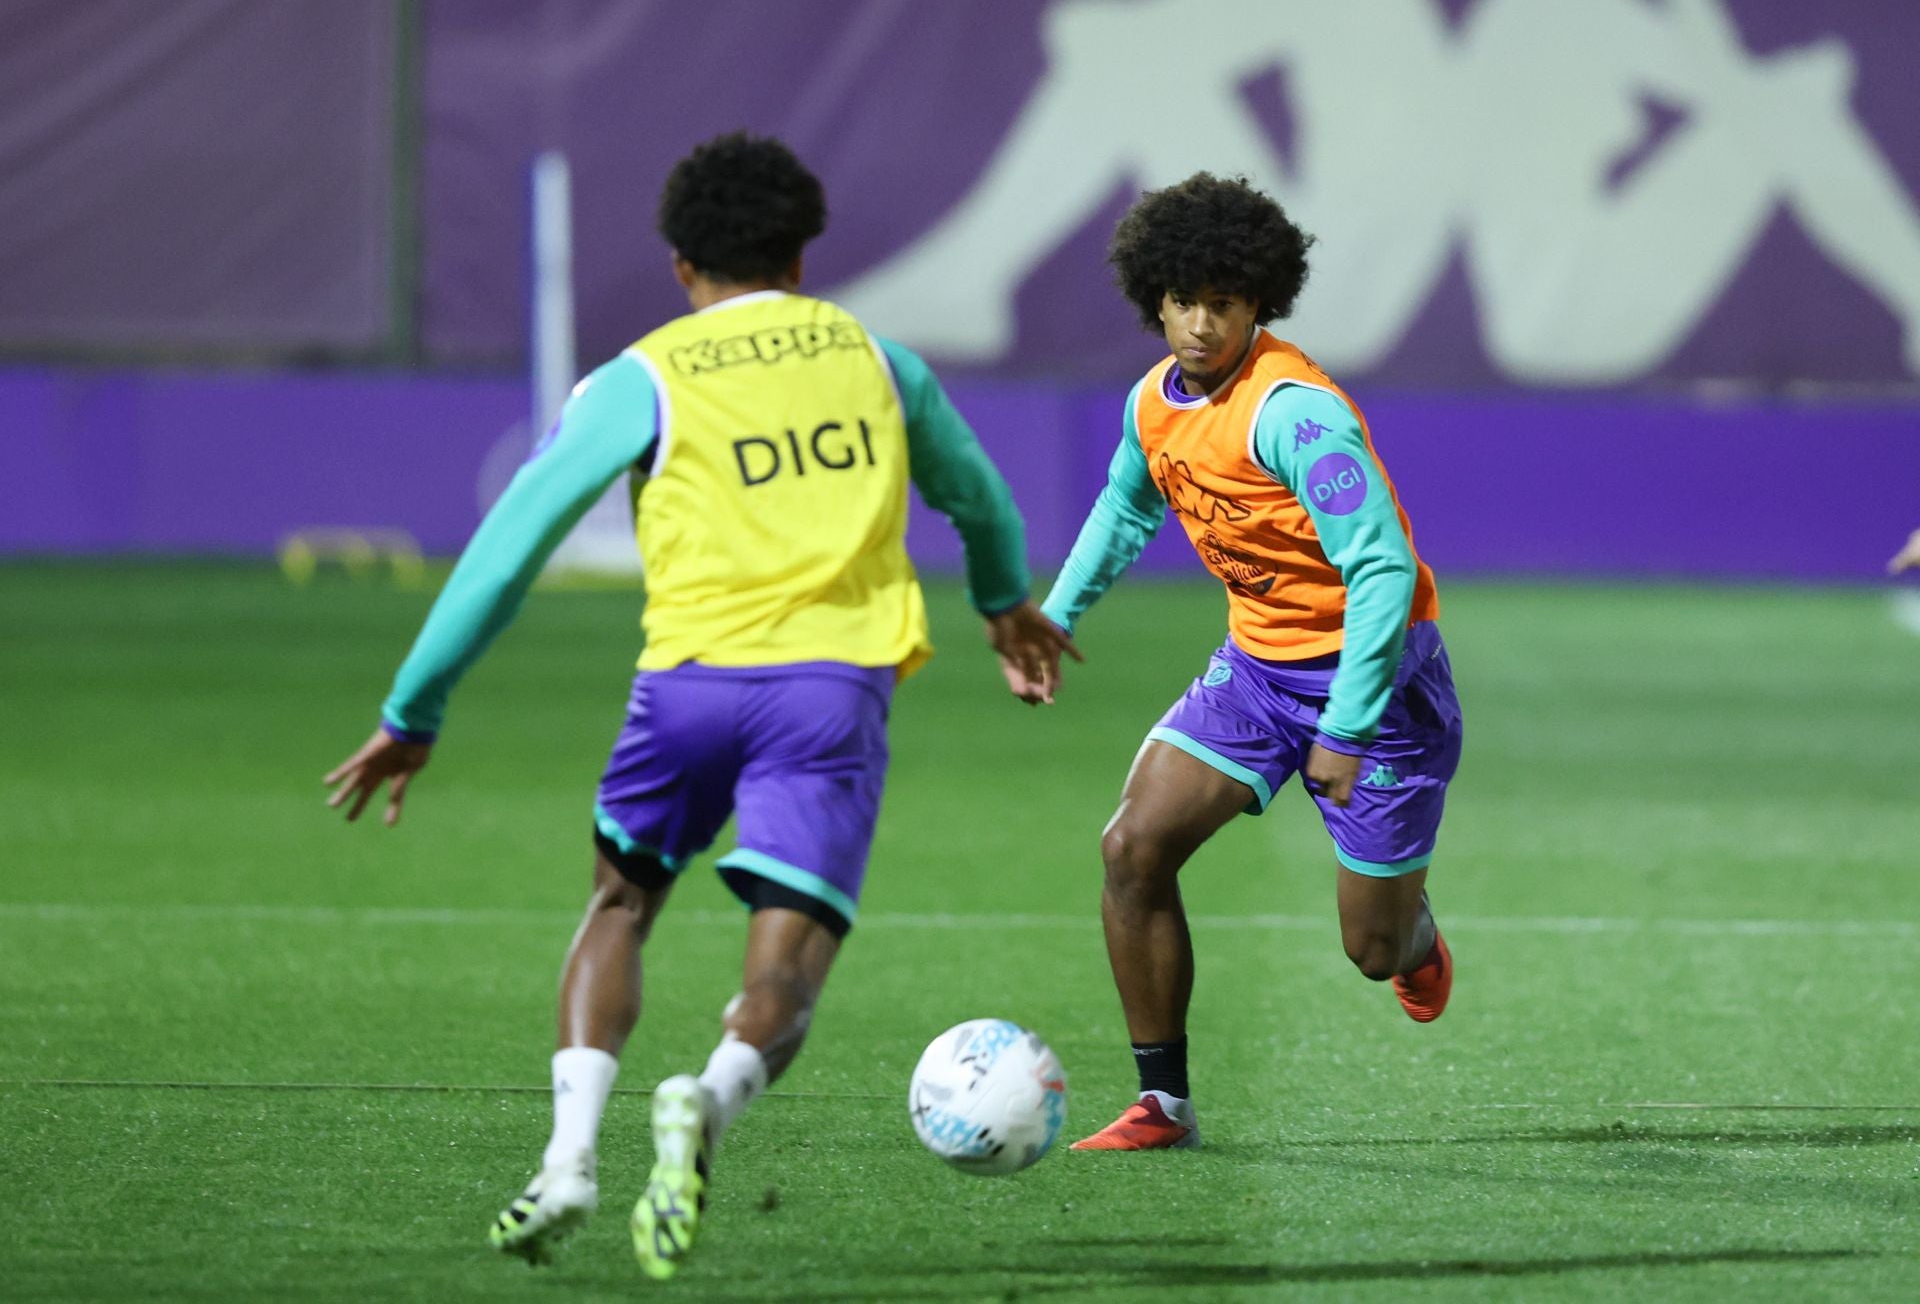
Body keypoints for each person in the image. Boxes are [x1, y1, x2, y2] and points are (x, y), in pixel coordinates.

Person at [322, 132, 1073, 1275]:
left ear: (683, 264)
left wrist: (412, 710)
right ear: (802, 254)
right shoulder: (879, 362)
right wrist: (1004, 604)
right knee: (786, 968)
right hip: (828, 697)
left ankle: (570, 1155)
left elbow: (507, 547)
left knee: (618, 907)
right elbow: (980, 500)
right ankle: (707, 1099)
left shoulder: (644, 376)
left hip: (681, 691)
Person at [1007, 172, 1464, 1150]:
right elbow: (1130, 507)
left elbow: (1383, 566)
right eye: (1183, 301)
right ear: (1154, 300)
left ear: (1260, 301)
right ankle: (1161, 1102)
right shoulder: (1155, 403)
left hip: (1374, 684)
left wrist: (1344, 723)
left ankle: (1415, 934)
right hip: (1257, 673)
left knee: (1371, 948)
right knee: (1131, 848)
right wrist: (1055, 614)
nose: (1202, 323)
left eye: (1223, 302)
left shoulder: (1295, 413)